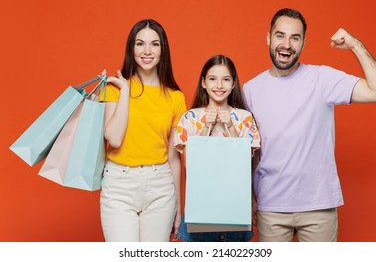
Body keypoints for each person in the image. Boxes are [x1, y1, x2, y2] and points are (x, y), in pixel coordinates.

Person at [243, 8, 376, 242]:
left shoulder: (322, 78)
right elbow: (250, 153)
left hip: (318, 207)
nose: (287, 44)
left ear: (303, 43)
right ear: (268, 38)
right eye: (280, 35)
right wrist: (248, 196)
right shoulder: (250, 89)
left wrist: (354, 45)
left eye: (295, 37)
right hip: (270, 207)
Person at [99, 19, 187, 242]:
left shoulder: (175, 97)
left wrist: (179, 206)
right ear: (131, 48)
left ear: (162, 49)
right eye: (140, 44)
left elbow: (174, 158)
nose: (147, 51)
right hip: (120, 183)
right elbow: (114, 138)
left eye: (154, 44)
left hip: (160, 185)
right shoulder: (114, 89)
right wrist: (126, 90)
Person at [174, 55, 260, 242]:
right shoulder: (190, 118)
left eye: (226, 79)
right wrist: (206, 126)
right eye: (212, 79)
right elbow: (191, 167)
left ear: (234, 83)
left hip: (235, 209)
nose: (219, 85)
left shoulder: (245, 117)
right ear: (203, 83)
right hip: (200, 210)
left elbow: (244, 164)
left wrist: (230, 127)